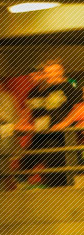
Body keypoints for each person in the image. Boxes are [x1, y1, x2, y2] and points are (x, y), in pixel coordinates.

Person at [21, 59, 84, 187]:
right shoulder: (39, 91)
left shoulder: (67, 87)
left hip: (61, 137)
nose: (50, 75)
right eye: (47, 72)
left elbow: (80, 106)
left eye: (53, 72)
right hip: (41, 136)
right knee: (25, 164)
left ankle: (62, 190)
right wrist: (26, 125)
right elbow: (34, 112)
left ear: (60, 72)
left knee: (58, 168)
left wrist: (65, 123)